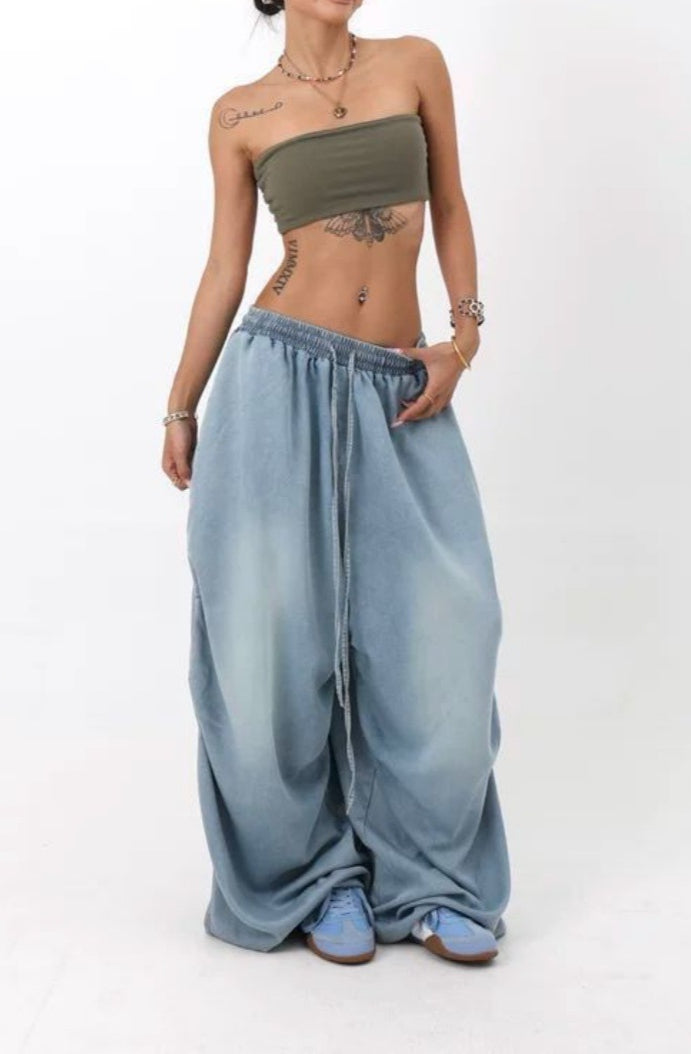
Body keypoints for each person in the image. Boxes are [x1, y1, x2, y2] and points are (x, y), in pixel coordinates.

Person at [162, 0, 511, 966]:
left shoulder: (414, 62)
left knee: (446, 630)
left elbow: (452, 204)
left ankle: (431, 880)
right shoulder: (240, 113)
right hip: (275, 378)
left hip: (398, 387)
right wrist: (181, 405)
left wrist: (463, 340)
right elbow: (226, 267)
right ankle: (315, 880)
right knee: (268, 646)